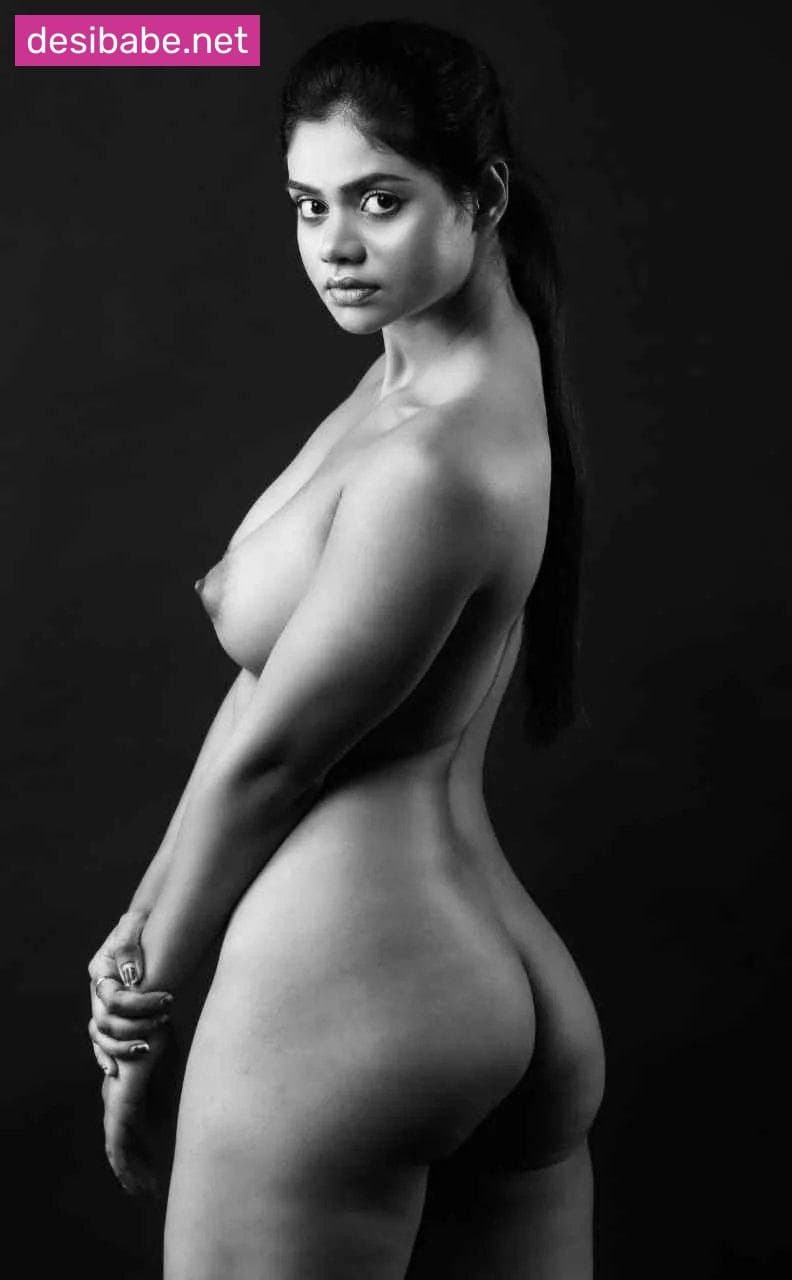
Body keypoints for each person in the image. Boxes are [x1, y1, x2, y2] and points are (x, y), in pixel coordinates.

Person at [86, 20, 605, 1278]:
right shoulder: (431, 367)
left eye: (380, 199)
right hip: (482, 965)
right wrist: (141, 917)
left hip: (350, 987)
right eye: (307, 204)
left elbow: (276, 761)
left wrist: (147, 1019)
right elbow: (282, 688)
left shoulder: (435, 461)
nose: (334, 243)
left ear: (481, 195)